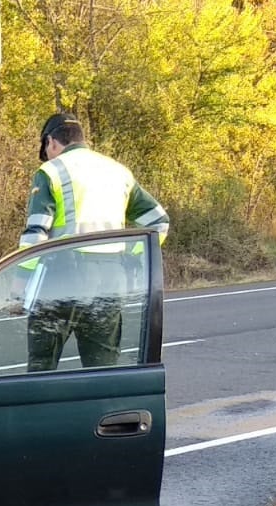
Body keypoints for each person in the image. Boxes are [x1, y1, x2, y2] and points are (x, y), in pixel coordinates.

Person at [19, 112, 169, 371]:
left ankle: (42, 412)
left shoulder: (51, 171)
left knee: (43, 364)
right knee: (103, 366)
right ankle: (104, 411)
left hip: (62, 276)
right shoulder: (118, 171)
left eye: (46, 148)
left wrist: (20, 278)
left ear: (51, 142)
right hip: (110, 279)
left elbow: (36, 232)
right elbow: (159, 222)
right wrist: (132, 256)